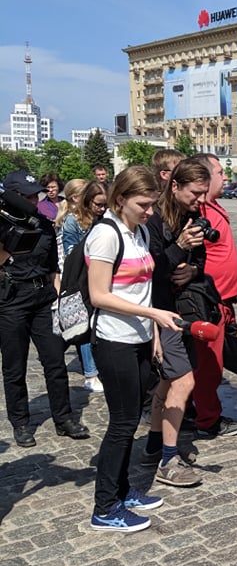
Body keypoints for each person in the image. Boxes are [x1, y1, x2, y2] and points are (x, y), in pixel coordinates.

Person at [86, 165, 182, 532]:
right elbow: (100, 295)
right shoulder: (105, 236)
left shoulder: (138, 230)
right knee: (122, 424)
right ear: (120, 198)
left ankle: (124, 490)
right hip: (114, 341)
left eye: (153, 205)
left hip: (140, 339)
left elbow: (141, 287)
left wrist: (153, 331)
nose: (150, 212)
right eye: (143, 204)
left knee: (127, 424)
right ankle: (105, 507)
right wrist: (152, 313)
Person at [0, 171, 90, 447]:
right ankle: (21, 422)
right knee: (14, 366)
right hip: (10, 300)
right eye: (25, 195)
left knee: (54, 361)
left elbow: (53, 267)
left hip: (42, 297)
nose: (32, 200)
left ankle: (63, 418)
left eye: (33, 195)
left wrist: (62, 299)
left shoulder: (43, 223)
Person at [142, 159, 210, 488]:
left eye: (204, 194)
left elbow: (199, 259)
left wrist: (193, 269)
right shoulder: (153, 220)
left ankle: (156, 444)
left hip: (182, 308)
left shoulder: (193, 216)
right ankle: (169, 459)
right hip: (158, 311)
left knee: (170, 383)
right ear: (175, 187)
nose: (201, 201)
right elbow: (148, 271)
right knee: (183, 382)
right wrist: (178, 248)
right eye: (195, 194)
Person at [189, 153, 237, 439]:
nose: (225, 177)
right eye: (220, 172)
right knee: (207, 367)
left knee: (213, 364)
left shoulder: (213, 206)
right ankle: (207, 420)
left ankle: (199, 412)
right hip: (206, 301)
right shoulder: (196, 210)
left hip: (222, 300)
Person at [59, 180, 109, 393]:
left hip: (101, 278)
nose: (102, 209)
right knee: (84, 326)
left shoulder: (105, 218)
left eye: (105, 204)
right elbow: (71, 253)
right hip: (80, 279)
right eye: (98, 205)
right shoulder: (73, 220)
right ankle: (91, 374)